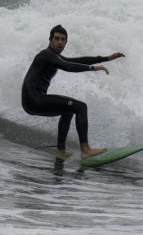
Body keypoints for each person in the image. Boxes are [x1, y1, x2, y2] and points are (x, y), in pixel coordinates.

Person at [21, 25, 123, 160]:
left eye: (63, 39)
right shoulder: (46, 55)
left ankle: (61, 151)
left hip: (32, 101)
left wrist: (106, 58)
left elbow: (76, 60)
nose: (60, 42)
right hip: (35, 100)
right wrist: (92, 68)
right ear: (50, 40)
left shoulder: (54, 56)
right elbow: (68, 66)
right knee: (81, 107)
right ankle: (85, 150)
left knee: (68, 110)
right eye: (57, 39)